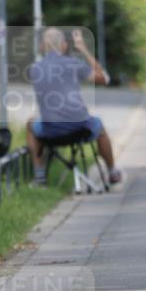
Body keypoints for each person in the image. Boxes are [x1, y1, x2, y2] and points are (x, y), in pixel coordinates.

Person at [26, 27, 122, 186]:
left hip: (51, 130)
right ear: (64, 45)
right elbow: (104, 79)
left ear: (41, 47)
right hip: (80, 128)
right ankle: (112, 172)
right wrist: (83, 49)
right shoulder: (74, 64)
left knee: (30, 123)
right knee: (100, 126)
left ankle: (40, 176)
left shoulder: (35, 69)